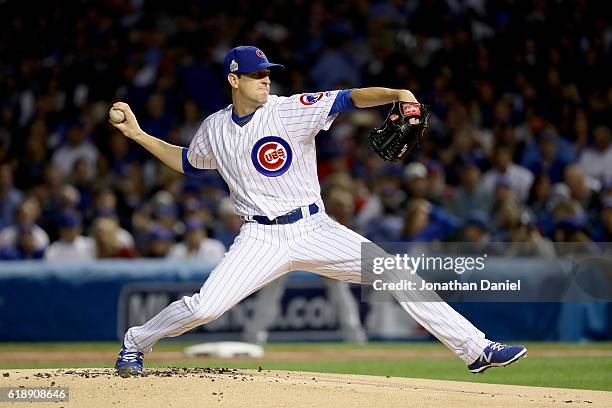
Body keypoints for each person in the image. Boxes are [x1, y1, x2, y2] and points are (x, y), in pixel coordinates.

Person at [109, 45, 526, 376]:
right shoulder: (214, 128)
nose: (265, 79)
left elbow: (350, 98)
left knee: (396, 274)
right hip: (260, 238)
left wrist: (399, 95)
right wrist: (139, 134)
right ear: (233, 79)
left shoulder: (290, 109)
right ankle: (136, 341)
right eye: (256, 74)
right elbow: (184, 160)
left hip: (314, 227)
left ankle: (477, 349)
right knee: (205, 308)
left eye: (267, 72)